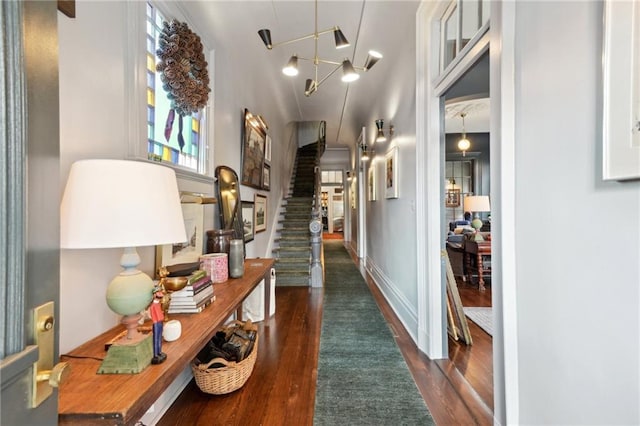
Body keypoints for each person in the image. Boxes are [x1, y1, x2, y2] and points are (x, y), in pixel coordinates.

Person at [150, 285, 167, 364]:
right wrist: (155, 322)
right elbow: (153, 315)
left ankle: (159, 352)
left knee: (160, 338)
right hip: (156, 323)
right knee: (156, 339)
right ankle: (156, 354)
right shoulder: (153, 306)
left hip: (160, 321)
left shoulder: (158, 304)